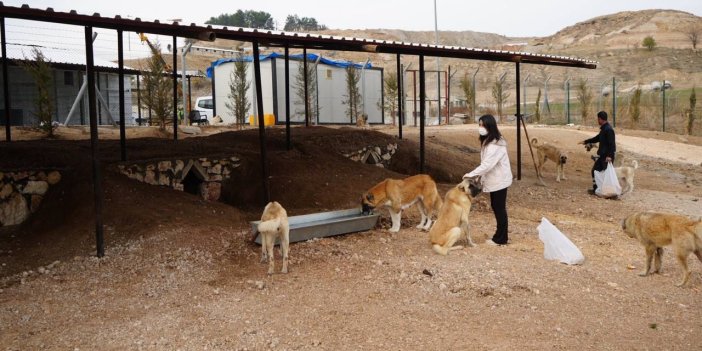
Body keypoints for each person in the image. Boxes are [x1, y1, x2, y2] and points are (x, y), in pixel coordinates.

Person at [463, 114, 513, 246]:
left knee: (499, 208)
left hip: (500, 180)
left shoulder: (495, 145)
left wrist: (470, 174)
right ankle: (500, 236)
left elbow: (487, 165)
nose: (480, 128)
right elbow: (487, 164)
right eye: (479, 125)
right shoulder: (489, 141)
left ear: (490, 126)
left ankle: (501, 239)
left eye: (483, 125)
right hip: (496, 179)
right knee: (497, 207)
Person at [581, 111, 616, 195]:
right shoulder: (604, 129)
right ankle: (597, 189)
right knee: (595, 171)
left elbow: (612, 144)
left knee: (604, 173)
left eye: (598, 119)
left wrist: (610, 156)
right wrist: (586, 141)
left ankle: (610, 192)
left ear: (600, 119)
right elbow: (597, 138)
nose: (597, 121)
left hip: (607, 157)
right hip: (603, 156)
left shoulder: (608, 130)